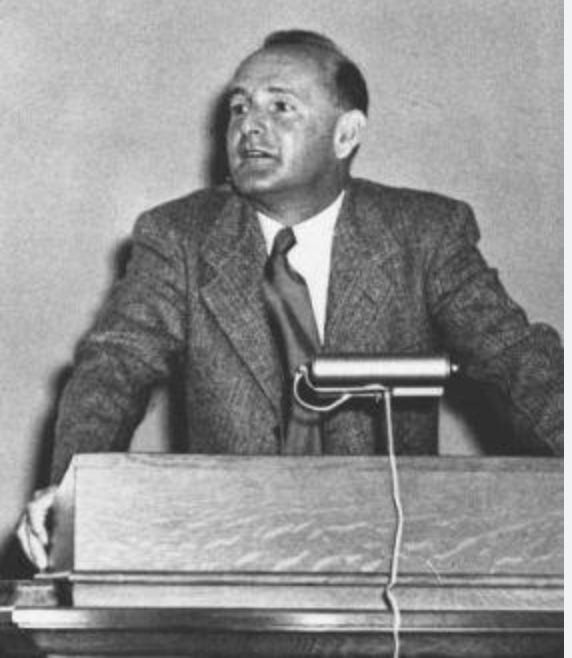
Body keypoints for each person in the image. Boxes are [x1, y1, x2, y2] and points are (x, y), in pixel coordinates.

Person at [17, 30, 563, 570]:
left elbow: (517, 360)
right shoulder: (179, 237)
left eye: (280, 106)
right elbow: (114, 369)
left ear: (346, 134)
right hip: (229, 557)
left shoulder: (425, 234)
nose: (250, 125)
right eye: (239, 107)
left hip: (392, 565)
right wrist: (69, 492)